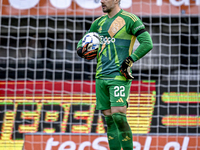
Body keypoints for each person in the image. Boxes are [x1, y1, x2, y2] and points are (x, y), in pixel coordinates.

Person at [76, 0, 153, 149]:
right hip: (101, 76)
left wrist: (130, 61)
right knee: (109, 119)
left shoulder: (130, 19)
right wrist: (81, 50)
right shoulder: (98, 23)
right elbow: (82, 42)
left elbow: (147, 43)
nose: (102, 1)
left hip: (119, 75)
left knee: (118, 116)